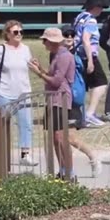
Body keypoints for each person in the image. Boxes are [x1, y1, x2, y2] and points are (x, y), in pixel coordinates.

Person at [28, 27, 76, 179]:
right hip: (52, 99)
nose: (44, 43)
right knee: (55, 138)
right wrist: (40, 68)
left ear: (52, 41)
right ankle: (62, 169)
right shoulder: (55, 55)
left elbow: (56, 81)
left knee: (60, 137)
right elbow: (52, 75)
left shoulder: (64, 56)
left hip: (60, 100)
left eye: (45, 40)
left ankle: (69, 171)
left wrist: (38, 73)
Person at [0, 20, 36, 166]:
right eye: (15, 32)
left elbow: (30, 66)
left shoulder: (26, 49)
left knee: (26, 124)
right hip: (5, 92)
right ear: (7, 34)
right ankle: (1, 154)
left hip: (23, 92)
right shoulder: (0, 50)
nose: (19, 35)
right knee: (1, 125)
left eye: (21, 32)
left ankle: (25, 154)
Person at [59, 25, 102, 177]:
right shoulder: (57, 53)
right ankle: (64, 169)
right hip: (60, 98)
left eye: (72, 34)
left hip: (73, 98)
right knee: (58, 137)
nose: (69, 37)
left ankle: (92, 156)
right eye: (66, 34)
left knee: (69, 137)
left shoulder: (79, 52)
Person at [73, 0, 109, 127]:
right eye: (101, 7)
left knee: (82, 85)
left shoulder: (79, 17)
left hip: (77, 54)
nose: (102, 11)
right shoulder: (91, 20)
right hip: (87, 55)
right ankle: (90, 113)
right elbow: (86, 40)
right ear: (96, 7)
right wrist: (90, 60)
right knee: (101, 83)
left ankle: (82, 115)